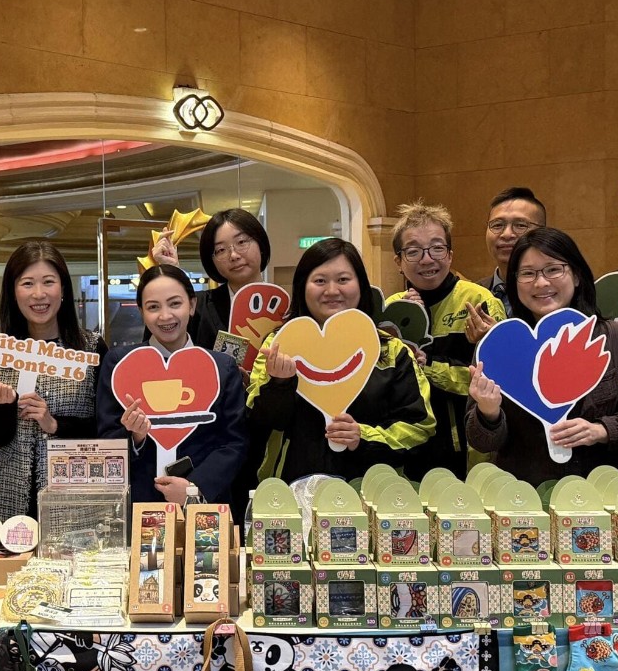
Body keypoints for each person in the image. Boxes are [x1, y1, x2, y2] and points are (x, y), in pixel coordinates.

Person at [248, 238, 434, 483]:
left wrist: (362, 437)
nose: (332, 291)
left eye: (343, 279)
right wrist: (279, 384)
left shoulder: (391, 351)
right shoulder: (279, 344)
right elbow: (258, 421)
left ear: (361, 285)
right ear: (302, 286)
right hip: (292, 486)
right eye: (320, 281)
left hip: (370, 489)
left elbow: (420, 426)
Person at [466, 228, 618, 485]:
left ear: (577, 275)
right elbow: (482, 442)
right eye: (527, 273)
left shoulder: (617, 338)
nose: (541, 283)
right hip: (525, 493)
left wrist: (602, 430)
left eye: (553, 270)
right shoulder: (499, 346)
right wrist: (488, 412)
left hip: (605, 489)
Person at [97, 266, 248, 504]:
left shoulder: (221, 366)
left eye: (175, 304)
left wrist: (194, 488)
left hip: (206, 503)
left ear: (192, 305)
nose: (165, 316)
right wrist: (136, 436)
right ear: (141, 312)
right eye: (153, 307)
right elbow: (106, 437)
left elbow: (235, 441)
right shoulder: (120, 363)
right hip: (138, 500)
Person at [0, 241, 101, 520]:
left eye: (48, 282)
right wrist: (5, 407)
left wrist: (54, 424)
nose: (38, 294)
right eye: (27, 284)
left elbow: (105, 428)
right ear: (13, 292)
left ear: (63, 289)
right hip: (8, 495)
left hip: (75, 499)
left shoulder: (91, 349)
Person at [387, 200, 505, 477]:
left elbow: (496, 382)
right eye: (413, 251)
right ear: (398, 262)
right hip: (405, 453)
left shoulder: (478, 301)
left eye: (437, 248)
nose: (427, 259)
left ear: (450, 255)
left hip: (467, 453)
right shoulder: (390, 310)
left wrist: (427, 365)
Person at [149, 208, 272, 348]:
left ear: (260, 243)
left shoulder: (285, 308)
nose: (233, 255)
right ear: (212, 260)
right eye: (221, 250)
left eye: (242, 242)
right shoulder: (197, 308)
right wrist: (170, 273)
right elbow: (161, 350)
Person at [480, 187, 546, 322]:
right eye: (497, 225)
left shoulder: (553, 291)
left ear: (543, 233)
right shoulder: (474, 293)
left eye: (520, 225)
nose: (507, 234)